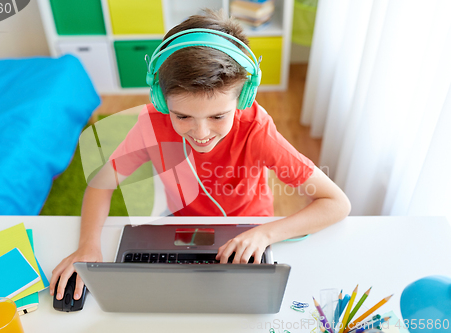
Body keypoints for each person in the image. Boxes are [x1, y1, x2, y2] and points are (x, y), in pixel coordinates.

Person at [50, 9, 351, 302]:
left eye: (218, 116)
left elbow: (336, 203)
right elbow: (101, 184)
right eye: (182, 116)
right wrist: (88, 247)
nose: (201, 133)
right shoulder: (152, 125)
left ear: (244, 97)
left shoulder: (256, 129)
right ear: (160, 98)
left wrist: (265, 235)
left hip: (252, 233)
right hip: (184, 233)